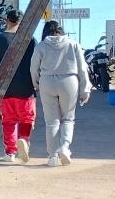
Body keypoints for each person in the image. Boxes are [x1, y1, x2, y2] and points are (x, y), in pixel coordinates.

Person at [30, 20, 91, 167]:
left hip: (47, 82)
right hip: (69, 81)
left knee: (51, 122)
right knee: (68, 119)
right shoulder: (73, 44)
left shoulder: (41, 46)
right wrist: (85, 89)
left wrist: (36, 84)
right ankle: (64, 147)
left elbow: (33, 68)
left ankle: (52, 157)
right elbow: (82, 68)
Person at [0, 9, 37, 163]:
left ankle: (10, 153)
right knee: (27, 118)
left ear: (7, 20)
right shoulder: (30, 39)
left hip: (5, 86)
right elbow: (36, 64)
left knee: (8, 120)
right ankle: (24, 139)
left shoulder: (0, 39)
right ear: (21, 22)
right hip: (26, 86)